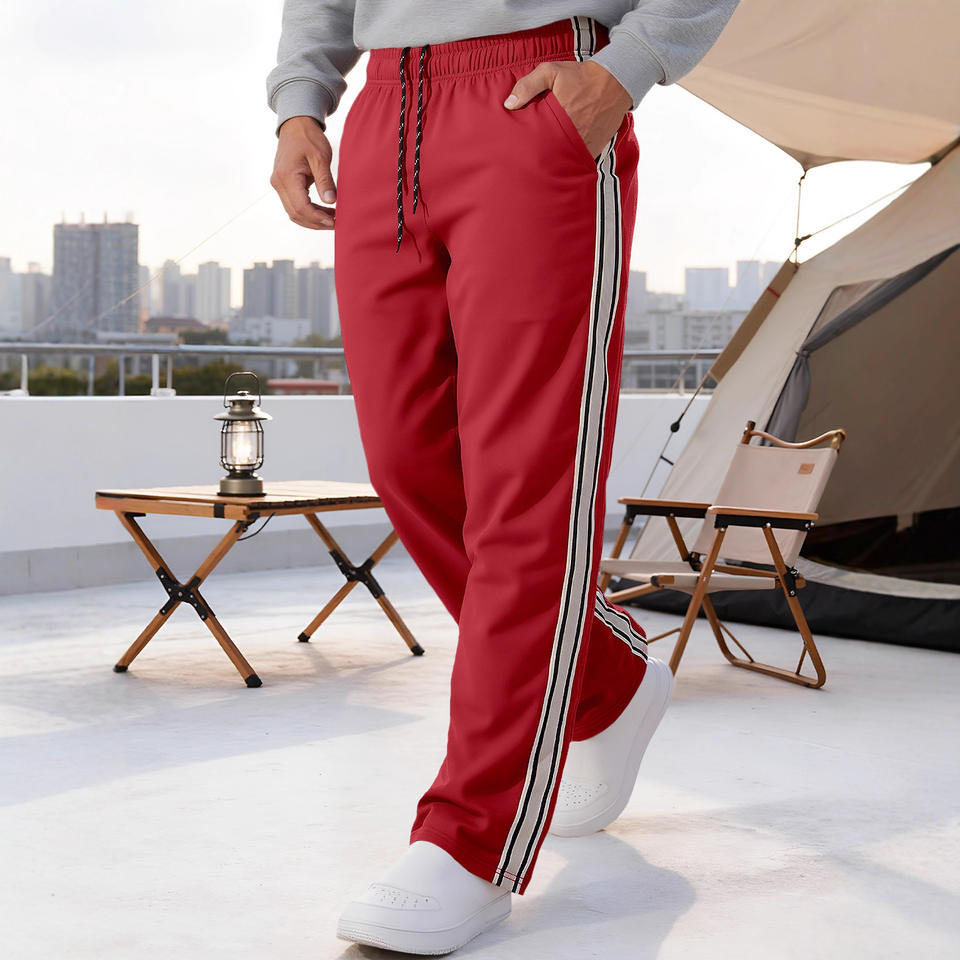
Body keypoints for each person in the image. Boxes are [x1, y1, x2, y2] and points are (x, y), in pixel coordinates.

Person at [266, 2, 739, 954]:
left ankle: (470, 839)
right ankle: (603, 679)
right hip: (383, 108)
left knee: (528, 487)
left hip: (538, 90)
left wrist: (628, 67)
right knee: (409, 464)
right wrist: (299, 103)